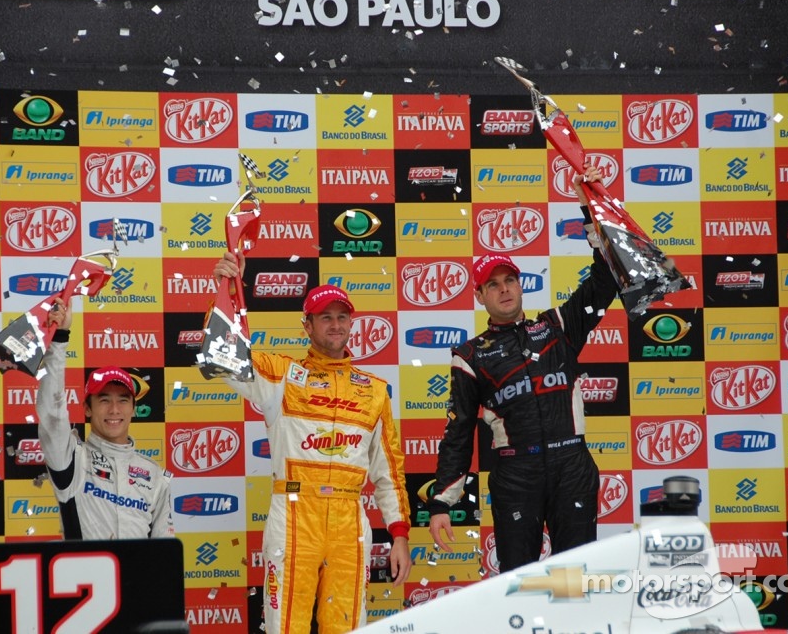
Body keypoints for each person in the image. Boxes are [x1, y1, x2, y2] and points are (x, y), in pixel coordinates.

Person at [426, 165, 619, 572]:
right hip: (515, 473)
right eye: (493, 285)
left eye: (510, 280)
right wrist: (442, 501)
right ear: (480, 296)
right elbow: (459, 430)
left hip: (571, 465)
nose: (504, 289)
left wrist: (589, 205)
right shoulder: (471, 355)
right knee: (519, 581)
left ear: (520, 284)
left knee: (574, 579)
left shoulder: (558, 327)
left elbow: (606, 279)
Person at [210, 254, 412, 634]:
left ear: (351, 323)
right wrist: (225, 290)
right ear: (307, 325)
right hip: (293, 513)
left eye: (342, 317)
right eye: (325, 317)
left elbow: (389, 473)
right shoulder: (282, 375)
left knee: (347, 627)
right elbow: (220, 358)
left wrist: (399, 535)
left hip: (349, 518)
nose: (335, 325)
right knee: (285, 626)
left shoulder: (375, 391)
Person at [36, 301, 174, 540]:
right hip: (86, 566)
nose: (114, 409)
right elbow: (52, 414)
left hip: (139, 567)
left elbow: (164, 549)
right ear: (87, 409)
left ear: (133, 409)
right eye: (104, 400)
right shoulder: (73, 460)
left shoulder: (154, 474)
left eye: (123, 400)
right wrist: (59, 338)